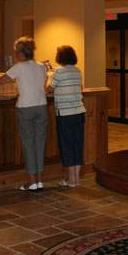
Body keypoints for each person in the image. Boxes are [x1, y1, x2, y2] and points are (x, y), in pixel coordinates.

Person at [0, 37, 48, 191]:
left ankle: (32, 182)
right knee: (40, 143)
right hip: (41, 106)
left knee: (28, 144)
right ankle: (40, 180)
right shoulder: (41, 66)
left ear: (20, 53)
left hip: (25, 107)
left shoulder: (19, 67)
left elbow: (2, 80)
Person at [47, 45, 86, 188]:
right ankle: (76, 179)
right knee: (77, 144)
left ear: (60, 57)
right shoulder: (77, 71)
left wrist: (49, 75)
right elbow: (80, 88)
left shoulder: (58, 72)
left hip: (65, 114)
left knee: (67, 145)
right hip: (79, 112)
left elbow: (48, 89)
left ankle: (71, 180)